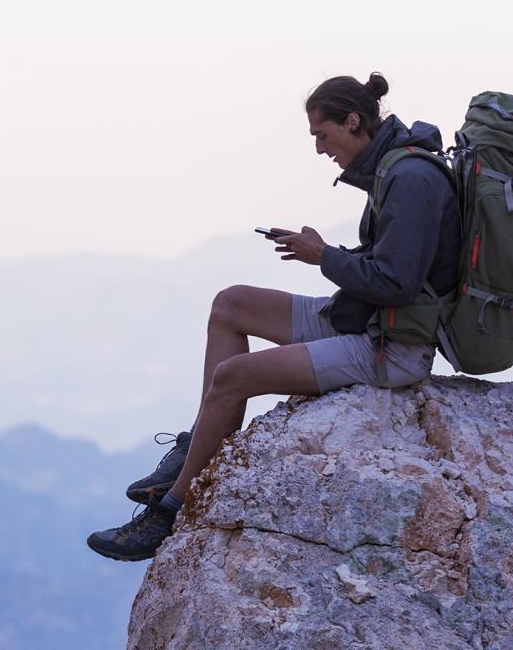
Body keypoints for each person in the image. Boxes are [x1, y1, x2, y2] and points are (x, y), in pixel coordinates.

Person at [86, 72, 463, 562]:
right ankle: (197, 441)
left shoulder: (410, 179)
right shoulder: (394, 168)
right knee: (231, 304)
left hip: (391, 346)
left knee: (234, 376)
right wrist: (326, 253)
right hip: (364, 317)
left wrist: (322, 254)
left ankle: (170, 509)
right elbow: (393, 266)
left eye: (321, 135)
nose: (320, 149)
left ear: (353, 121)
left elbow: (397, 282)